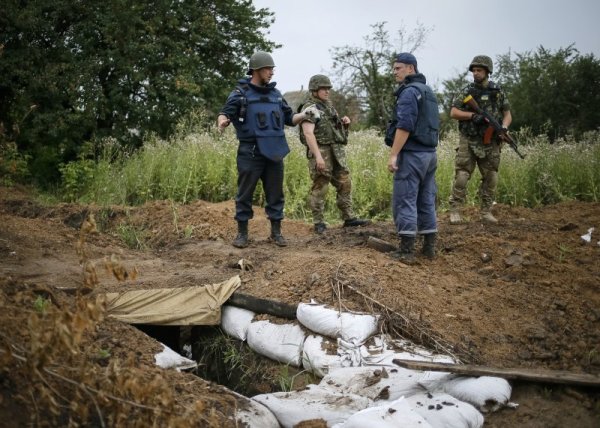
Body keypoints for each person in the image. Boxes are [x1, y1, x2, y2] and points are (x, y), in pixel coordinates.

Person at [217, 51, 308, 248]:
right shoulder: (240, 94)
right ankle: (242, 234)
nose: (272, 73)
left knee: (276, 193)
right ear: (256, 70)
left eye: (272, 69)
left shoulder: (276, 95)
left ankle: (276, 233)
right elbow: (224, 113)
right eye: (268, 69)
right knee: (245, 193)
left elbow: (289, 119)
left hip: (275, 151)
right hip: (251, 151)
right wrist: (222, 122)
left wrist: (305, 115)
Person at [298, 74, 370, 234]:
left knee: (345, 183)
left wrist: (346, 125)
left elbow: (337, 133)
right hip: (321, 151)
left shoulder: (329, 107)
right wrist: (317, 157)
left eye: (328, 88)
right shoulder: (310, 108)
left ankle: (349, 218)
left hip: (336, 152)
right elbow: (308, 134)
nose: (327, 91)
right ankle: (319, 223)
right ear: (315, 90)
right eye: (323, 88)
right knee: (320, 186)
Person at [386, 53, 440, 264]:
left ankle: (406, 251)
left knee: (405, 199)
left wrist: (393, 154)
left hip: (412, 154)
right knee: (426, 199)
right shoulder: (429, 92)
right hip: (430, 155)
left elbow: (405, 126)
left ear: (411, 68)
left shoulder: (409, 93)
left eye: (398, 68)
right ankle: (429, 247)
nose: (395, 72)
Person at [448, 55, 512, 224]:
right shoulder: (466, 91)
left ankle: (485, 212)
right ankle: (455, 210)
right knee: (462, 175)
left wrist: (504, 128)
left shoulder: (497, 92)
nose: (475, 73)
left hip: (490, 142)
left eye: (479, 70)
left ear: (487, 72)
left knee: (491, 176)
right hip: (468, 139)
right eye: (474, 70)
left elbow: (507, 114)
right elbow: (453, 112)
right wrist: (472, 115)